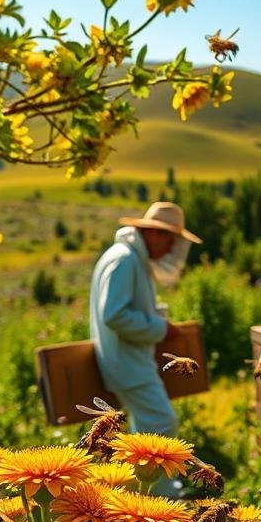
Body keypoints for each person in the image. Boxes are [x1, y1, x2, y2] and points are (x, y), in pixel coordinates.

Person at [89, 201, 200, 496]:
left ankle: (140, 488)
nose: (171, 245)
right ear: (151, 233)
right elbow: (114, 314)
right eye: (168, 237)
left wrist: (156, 320)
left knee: (148, 426)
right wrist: (161, 329)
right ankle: (157, 494)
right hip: (127, 362)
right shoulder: (125, 260)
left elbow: (124, 309)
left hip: (130, 359)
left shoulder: (128, 258)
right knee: (161, 422)